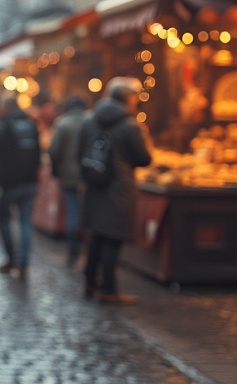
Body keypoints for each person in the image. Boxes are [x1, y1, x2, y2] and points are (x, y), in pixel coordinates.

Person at [78, 77, 152, 304]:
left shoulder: (89, 120)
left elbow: (79, 153)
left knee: (98, 236)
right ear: (129, 98)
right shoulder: (131, 126)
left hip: (94, 186)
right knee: (113, 239)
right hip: (119, 189)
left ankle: (90, 281)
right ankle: (109, 288)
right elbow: (144, 158)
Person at [0, 92, 42, 279]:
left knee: (4, 220)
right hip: (29, 182)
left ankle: (11, 258)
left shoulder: (2, 127)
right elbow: (38, 153)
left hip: (8, 184)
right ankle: (23, 262)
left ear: (5, 108)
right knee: (25, 221)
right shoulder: (31, 124)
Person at [48, 95, 88, 266]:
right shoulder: (90, 120)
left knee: (72, 211)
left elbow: (53, 150)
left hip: (68, 174)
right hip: (89, 174)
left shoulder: (62, 123)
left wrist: (56, 168)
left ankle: (73, 249)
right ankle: (87, 248)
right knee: (86, 212)